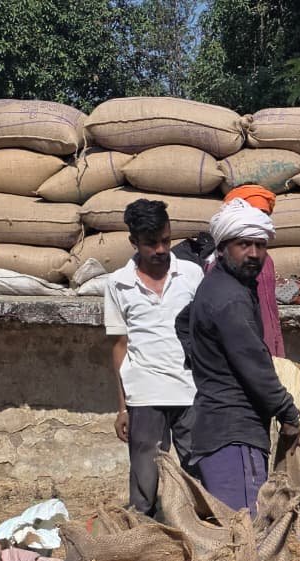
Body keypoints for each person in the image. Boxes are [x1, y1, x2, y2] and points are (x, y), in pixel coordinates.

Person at [176, 199, 300, 512]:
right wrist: (287, 413)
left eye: (260, 245)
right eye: (244, 245)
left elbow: (182, 322)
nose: (254, 253)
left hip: (219, 428)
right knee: (248, 528)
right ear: (223, 248)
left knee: (235, 529)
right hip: (234, 434)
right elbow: (255, 365)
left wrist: (206, 361)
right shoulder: (231, 298)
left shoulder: (221, 285)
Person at [103, 199, 204, 516]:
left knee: (199, 474)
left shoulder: (192, 275)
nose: (161, 250)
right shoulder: (118, 284)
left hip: (190, 391)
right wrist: (122, 408)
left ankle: (201, 531)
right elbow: (120, 346)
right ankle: (143, 536)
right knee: (144, 484)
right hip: (144, 395)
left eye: (166, 240)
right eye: (151, 243)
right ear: (133, 241)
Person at [172, 184, 286, 359]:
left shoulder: (264, 260)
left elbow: (269, 313)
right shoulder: (220, 266)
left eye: (264, 215)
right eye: (255, 213)